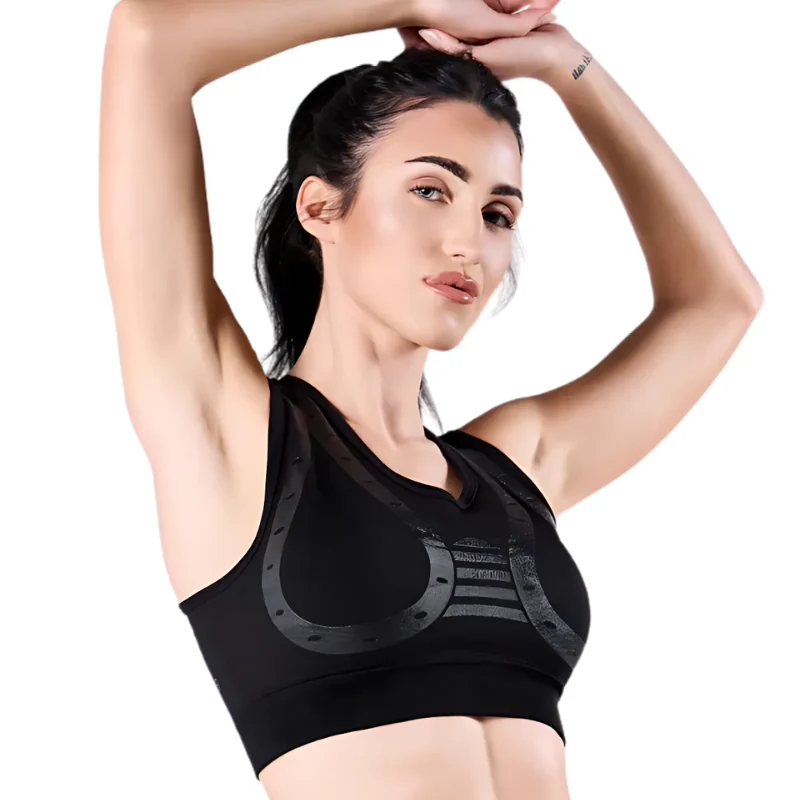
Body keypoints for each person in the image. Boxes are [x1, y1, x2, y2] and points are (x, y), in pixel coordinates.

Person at [98, 0, 763, 797]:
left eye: (497, 213)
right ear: (320, 207)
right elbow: (148, 40)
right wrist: (415, 1)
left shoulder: (516, 470)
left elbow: (724, 302)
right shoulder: (230, 434)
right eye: (429, 190)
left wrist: (568, 68)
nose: (468, 243)